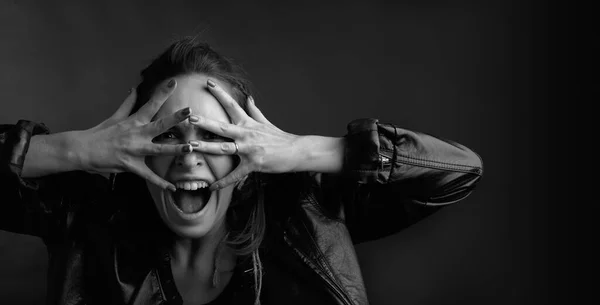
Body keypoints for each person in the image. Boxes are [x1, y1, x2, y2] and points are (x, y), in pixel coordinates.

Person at [0, 37, 483, 305]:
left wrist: (301, 151)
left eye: (213, 135)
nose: (190, 153)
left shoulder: (305, 213)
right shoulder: (88, 217)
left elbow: (459, 171)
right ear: (132, 150)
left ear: (247, 151)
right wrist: (74, 150)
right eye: (165, 134)